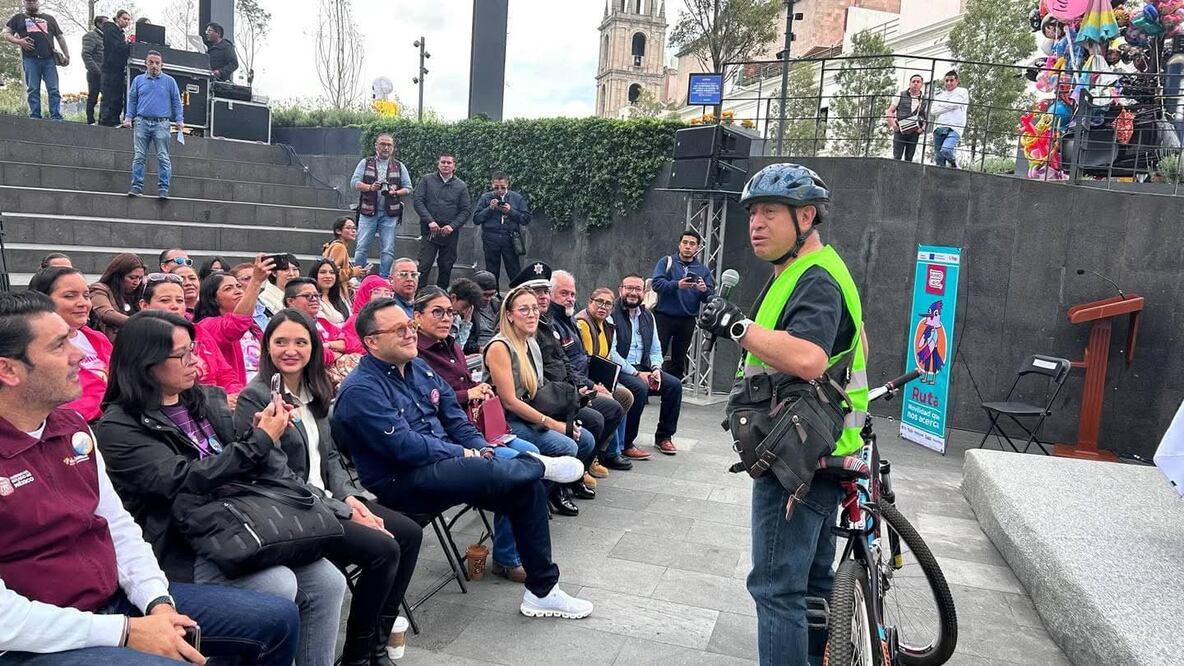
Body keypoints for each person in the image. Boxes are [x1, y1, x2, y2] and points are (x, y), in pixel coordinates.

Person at [0, 291, 300, 665]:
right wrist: (125, 631)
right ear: (8, 370)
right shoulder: (115, 426)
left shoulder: (71, 427)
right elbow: (5, 618)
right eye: (60, 345)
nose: (80, 354)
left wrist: (157, 603)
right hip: (37, 638)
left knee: (277, 619)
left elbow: (116, 526)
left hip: (115, 600)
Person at [94, 310, 348, 666]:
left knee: (328, 581)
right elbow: (183, 478)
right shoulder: (119, 427)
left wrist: (258, 433)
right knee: (278, 585)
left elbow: (238, 458)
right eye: (181, 354)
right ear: (145, 362)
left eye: (193, 348)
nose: (194, 360)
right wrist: (258, 441)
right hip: (185, 544)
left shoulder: (204, 400)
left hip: (242, 524)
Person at [696, 163, 868, 665]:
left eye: (770, 212)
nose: (756, 223)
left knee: (775, 589)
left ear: (807, 217)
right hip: (820, 451)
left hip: (798, 459)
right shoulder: (805, 272)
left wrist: (735, 327)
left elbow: (810, 357)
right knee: (812, 582)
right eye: (752, 213)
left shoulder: (814, 278)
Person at [331, 298, 594, 619]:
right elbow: (405, 446)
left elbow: (454, 417)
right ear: (372, 341)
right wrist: (466, 453)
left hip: (452, 468)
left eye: (410, 326)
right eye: (399, 329)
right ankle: (535, 464)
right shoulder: (361, 389)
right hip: (401, 481)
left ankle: (543, 591)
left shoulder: (418, 368)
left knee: (527, 489)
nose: (410, 334)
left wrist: (481, 448)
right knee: (509, 470)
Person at [236, 310, 423, 665]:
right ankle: (357, 654)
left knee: (409, 533)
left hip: (328, 499)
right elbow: (275, 473)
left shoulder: (314, 389)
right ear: (267, 347)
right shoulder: (256, 396)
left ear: (313, 347)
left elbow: (331, 456)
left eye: (300, 342)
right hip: (293, 510)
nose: (290, 350)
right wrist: (345, 510)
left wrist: (350, 496)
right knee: (383, 549)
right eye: (281, 342)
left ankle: (377, 644)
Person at [413, 287, 541, 583]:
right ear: (417, 317)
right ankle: (507, 557)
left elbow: (467, 380)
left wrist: (477, 388)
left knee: (533, 459)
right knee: (520, 475)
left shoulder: (450, 344)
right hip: (449, 438)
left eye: (449, 312)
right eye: (437, 312)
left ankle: (520, 536)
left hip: (478, 426)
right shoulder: (416, 354)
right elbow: (428, 400)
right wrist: (465, 393)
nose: (446, 318)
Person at [484, 284, 590, 517]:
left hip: (528, 412)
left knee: (585, 439)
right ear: (509, 315)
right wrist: (553, 424)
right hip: (505, 422)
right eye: (524, 309)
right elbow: (510, 401)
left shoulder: (530, 342)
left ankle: (538, 499)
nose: (532, 314)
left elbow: (537, 392)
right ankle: (530, 504)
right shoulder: (500, 347)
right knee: (567, 445)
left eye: (534, 308)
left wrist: (565, 421)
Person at [546, 269, 626, 481]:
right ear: (549, 294)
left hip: (582, 379)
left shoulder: (568, 319)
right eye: (564, 293)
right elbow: (560, 367)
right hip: (565, 389)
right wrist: (588, 386)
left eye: (572, 294)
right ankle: (580, 469)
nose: (570, 298)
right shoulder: (552, 323)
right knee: (603, 413)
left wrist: (592, 383)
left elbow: (578, 359)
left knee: (622, 398)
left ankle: (592, 460)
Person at [27, 267, 111, 423]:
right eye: (70, 296)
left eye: (86, 296)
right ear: (42, 299)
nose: (83, 303)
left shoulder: (98, 338)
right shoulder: (33, 347)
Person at [139, 272, 240, 399]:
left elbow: (226, 375)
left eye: (180, 300)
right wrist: (219, 401)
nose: (175, 306)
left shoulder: (199, 332)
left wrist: (236, 396)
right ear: (145, 306)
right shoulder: (139, 338)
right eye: (165, 300)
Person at [615, 274, 682, 456]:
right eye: (629, 288)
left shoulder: (648, 316)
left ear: (644, 293)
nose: (633, 293)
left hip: (644, 367)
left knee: (674, 385)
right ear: (620, 290)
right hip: (620, 369)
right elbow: (611, 353)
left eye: (638, 289)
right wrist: (637, 375)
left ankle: (664, 437)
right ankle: (627, 444)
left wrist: (656, 369)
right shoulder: (612, 314)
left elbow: (655, 349)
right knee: (639, 389)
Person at [574, 287, 638, 470]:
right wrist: (597, 384)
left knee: (627, 395)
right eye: (599, 301)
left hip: (598, 376)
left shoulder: (607, 325)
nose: (603, 306)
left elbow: (608, 355)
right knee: (614, 399)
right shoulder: (582, 323)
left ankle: (611, 450)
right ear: (590, 302)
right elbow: (585, 358)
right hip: (585, 380)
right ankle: (603, 454)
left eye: (608, 303)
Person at [193, 255, 272, 387]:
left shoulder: (254, 327)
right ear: (213, 298)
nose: (238, 291)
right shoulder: (207, 325)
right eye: (228, 288)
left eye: (238, 286)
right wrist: (256, 281)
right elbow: (237, 323)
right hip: (234, 395)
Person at [651, 230, 715, 379]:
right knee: (656, 355)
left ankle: (673, 393)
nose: (688, 246)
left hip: (687, 319)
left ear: (697, 248)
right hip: (663, 317)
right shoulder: (666, 262)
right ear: (679, 245)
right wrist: (677, 285)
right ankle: (648, 389)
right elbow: (656, 284)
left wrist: (704, 290)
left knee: (679, 360)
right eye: (685, 243)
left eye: (692, 244)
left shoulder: (702, 270)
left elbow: (710, 297)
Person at [123, 50, 183, 199]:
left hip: (161, 123)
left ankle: (164, 188)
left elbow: (176, 101)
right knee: (139, 156)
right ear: (146, 64)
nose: (154, 65)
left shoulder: (169, 81)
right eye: (151, 62)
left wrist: (180, 119)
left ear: (162, 64)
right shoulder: (138, 80)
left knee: (163, 156)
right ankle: (136, 186)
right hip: (141, 122)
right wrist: (128, 117)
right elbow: (132, 100)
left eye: (157, 63)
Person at [352, 134, 413, 279]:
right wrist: (370, 187)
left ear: (393, 148)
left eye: (389, 145)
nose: (386, 147)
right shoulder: (365, 162)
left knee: (387, 250)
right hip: (368, 211)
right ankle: (357, 279)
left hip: (390, 214)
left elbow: (409, 188)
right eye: (383, 144)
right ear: (376, 146)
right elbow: (354, 182)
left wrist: (395, 192)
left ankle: (384, 279)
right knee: (361, 248)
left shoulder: (399, 166)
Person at [3, 0, 68, 121]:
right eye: (28, 1)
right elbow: (6, 33)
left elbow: (60, 37)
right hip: (30, 59)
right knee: (33, 88)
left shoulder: (49, 18)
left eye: (33, 1)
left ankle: (56, 116)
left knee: (53, 89)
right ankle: (35, 116)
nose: (31, 3)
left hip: (49, 59)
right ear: (24, 3)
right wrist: (19, 41)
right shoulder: (18, 18)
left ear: (38, 2)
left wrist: (66, 55)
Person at [413, 152, 471, 289]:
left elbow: (465, 210)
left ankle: (442, 295)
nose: (446, 165)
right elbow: (418, 201)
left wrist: (452, 226)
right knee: (424, 264)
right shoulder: (427, 180)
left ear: (454, 166)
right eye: (443, 162)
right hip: (429, 231)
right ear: (438, 164)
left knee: (446, 265)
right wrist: (429, 221)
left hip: (450, 233)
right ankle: (418, 296)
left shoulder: (461, 186)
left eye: (449, 163)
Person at [473, 172, 531, 290]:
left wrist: (510, 211)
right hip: (491, 238)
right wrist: (489, 209)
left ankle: (518, 295)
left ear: (508, 184)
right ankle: (493, 297)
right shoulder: (486, 198)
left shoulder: (516, 198)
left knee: (514, 270)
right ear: (491, 185)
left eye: (503, 187)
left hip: (510, 238)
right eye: (496, 188)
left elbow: (526, 219)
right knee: (492, 271)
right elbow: (476, 219)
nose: (500, 190)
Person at [283, 277, 345, 364]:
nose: (314, 299)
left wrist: (329, 345)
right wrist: (336, 354)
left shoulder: (322, 322)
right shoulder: (287, 326)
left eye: (316, 295)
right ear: (291, 301)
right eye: (307, 296)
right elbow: (312, 355)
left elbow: (349, 342)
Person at [89, 253, 146, 341]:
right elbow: (105, 313)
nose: (137, 282)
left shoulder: (139, 292)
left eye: (140, 278)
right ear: (118, 276)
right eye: (132, 277)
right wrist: (139, 323)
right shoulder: (99, 289)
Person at [342, 275, 394, 355]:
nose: (383, 296)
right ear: (365, 295)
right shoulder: (356, 320)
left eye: (387, 293)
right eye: (376, 292)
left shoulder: (394, 319)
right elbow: (348, 344)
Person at [930, 70, 969, 169]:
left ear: (957, 81)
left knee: (946, 150)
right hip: (939, 127)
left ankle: (954, 163)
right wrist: (950, 105)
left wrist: (942, 105)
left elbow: (957, 103)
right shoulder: (939, 95)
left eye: (951, 80)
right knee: (939, 160)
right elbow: (933, 111)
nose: (949, 83)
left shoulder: (962, 91)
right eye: (946, 80)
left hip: (955, 127)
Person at [99, 10, 131, 127]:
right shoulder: (111, 30)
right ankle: (105, 120)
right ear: (117, 18)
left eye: (128, 19)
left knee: (117, 97)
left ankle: (114, 120)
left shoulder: (121, 33)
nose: (126, 21)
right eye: (124, 18)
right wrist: (129, 46)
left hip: (118, 69)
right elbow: (117, 47)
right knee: (108, 96)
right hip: (110, 68)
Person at [887, 74, 928, 162]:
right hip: (900, 131)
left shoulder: (924, 99)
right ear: (909, 83)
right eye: (913, 81)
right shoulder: (900, 95)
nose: (915, 84)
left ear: (922, 84)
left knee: (909, 158)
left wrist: (922, 129)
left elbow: (926, 117)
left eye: (918, 82)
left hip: (914, 132)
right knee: (897, 157)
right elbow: (889, 111)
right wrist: (894, 126)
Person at [323, 215, 368, 294]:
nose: (353, 231)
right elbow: (333, 273)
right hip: (336, 294)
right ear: (338, 231)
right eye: (348, 228)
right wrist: (353, 272)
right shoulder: (339, 247)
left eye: (354, 228)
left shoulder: (335, 245)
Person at [258, 254, 300, 323]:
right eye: (286, 270)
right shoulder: (263, 300)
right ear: (274, 273)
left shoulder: (302, 295)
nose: (292, 274)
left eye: (295, 269)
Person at [309, 257, 350, 325]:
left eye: (332, 272)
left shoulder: (339, 298)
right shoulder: (312, 300)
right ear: (315, 275)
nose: (328, 276)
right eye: (323, 272)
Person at [447, 277, 483, 354]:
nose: (464, 311)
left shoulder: (457, 318)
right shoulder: (442, 318)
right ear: (453, 298)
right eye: (464, 306)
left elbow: (457, 349)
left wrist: (466, 323)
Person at [82, 14, 106, 125]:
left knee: (106, 97)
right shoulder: (91, 36)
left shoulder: (106, 38)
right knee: (93, 96)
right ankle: (90, 120)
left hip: (105, 73)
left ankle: (103, 120)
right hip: (95, 72)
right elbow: (86, 55)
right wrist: (96, 70)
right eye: (105, 23)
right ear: (99, 24)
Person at [472, 270, 501, 350]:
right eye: (484, 295)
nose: (488, 299)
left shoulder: (498, 305)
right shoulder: (467, 309)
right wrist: (479, 349)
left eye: (492, 294)